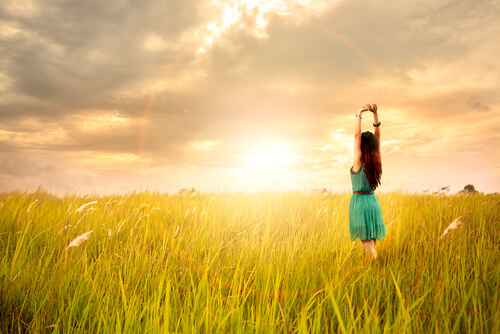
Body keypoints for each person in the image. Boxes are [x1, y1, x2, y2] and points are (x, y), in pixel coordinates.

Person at [349, 103, 386, 259]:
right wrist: (375, 115)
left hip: (360, 204)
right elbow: (377, 137)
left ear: (361, 146)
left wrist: (359, 113)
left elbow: (357, 136)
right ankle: (374, 271)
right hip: (373, 202)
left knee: (369, 249)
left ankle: (375, 271)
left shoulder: (359, 162)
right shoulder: (376, 161)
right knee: (372, 245)